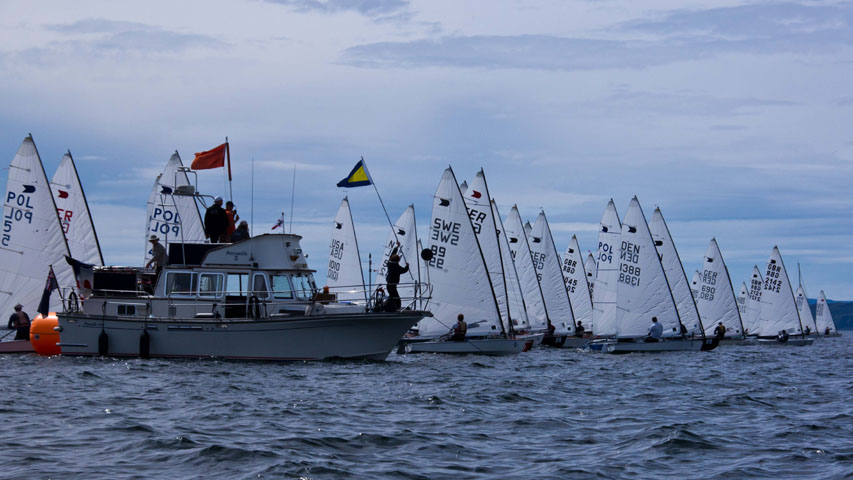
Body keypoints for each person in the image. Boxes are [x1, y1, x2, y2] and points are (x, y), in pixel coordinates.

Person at [384, 243, 409, 311]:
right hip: (392, 285)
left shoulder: (389, 263)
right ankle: (397, 307)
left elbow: (392, 254)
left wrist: (396, 247)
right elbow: (404, 270)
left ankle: (389, 306)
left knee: (393, 296)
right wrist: (407, 266)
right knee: (396, 298)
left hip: (389, 284)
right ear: (397, 260)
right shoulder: (396, 267)